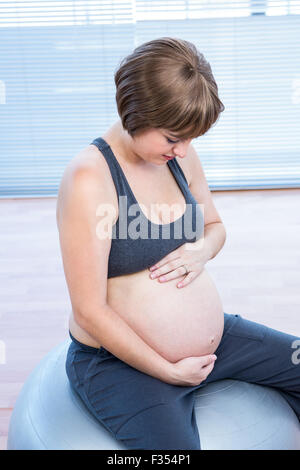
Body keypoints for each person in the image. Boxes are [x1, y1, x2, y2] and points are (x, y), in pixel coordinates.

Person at [56, 37, 300, 450]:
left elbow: (215, 226)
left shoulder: (180, 156)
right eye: (173, 138)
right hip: (118, 364)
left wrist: (202, 250)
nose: (184, 149)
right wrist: (168, 371)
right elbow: (89, 310)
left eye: (190, 138)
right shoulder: (90, 179)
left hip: (217, 342)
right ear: (135, 113)